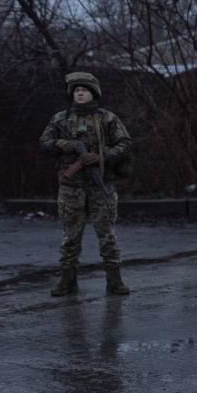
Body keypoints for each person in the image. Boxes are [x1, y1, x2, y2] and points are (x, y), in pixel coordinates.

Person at [39, 71, 133, 296]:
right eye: (77, 90)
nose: (80, 94)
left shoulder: (107, 118)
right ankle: (67, 281)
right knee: (70, 237)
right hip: (71, 186)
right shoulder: (60, 119)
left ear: (94, 93)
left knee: (107, 235)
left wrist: (102, 157)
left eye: (84, 90)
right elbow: (44, 143)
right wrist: (62, 144)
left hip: (101, 185)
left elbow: (125, 143)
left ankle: (114, 281)